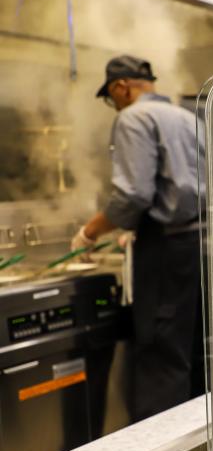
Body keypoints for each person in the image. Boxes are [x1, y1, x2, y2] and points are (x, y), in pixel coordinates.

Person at [74, 55, 206, 423]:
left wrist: (90, 232)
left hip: (166, 249)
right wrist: (136, 227)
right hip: (198, 244)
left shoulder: (133, 117)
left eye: (111, 97)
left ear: (121, 87)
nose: (113, 105)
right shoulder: (186, 116)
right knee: (187, 354)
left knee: (160, 355)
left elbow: (132, 195)